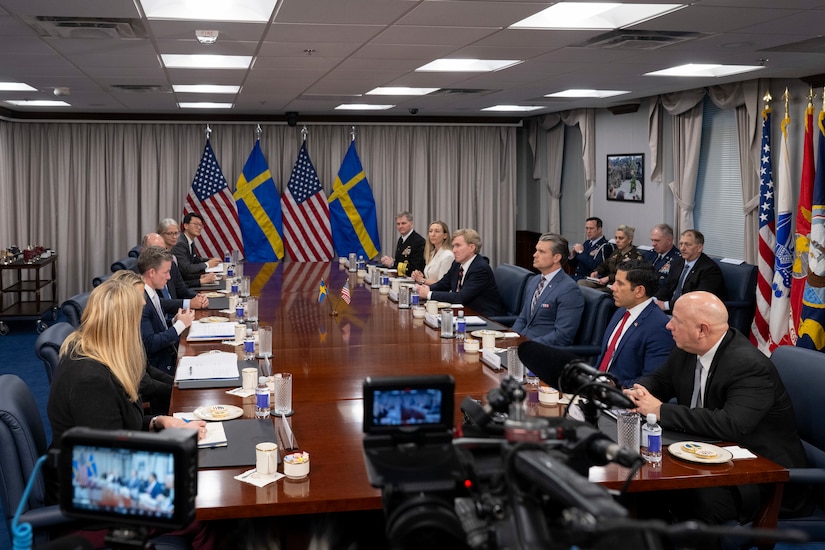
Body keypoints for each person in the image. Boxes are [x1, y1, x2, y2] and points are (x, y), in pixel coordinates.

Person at [625, 292, 812, 525]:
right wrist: (641, 391)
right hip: (708, 454)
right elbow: (661, 381)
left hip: (759, 474)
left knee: (679, 495)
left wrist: (661, 410)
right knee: (640, 479)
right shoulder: (687, 348)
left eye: (676, 320)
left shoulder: (749, 366)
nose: (668, 325)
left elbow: (731, 424)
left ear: (702, 330)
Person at [594, 260, 673, 388]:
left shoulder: (659, 327)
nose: (613, 287)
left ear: (639, 291)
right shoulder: (621, 311)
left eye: (619, 284)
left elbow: (653, 382)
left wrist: (613, 386)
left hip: (622, 399)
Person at [110, 269, 174, 415]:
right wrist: (175, 389)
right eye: (139, 296)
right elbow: (142, 381)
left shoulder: (127, 328)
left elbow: (146, 368)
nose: (144, 302)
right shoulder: (117, 336)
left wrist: (176, 383)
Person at [510, 233, 584, 346]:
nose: (535, 255)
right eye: (536, 250)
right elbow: (523, 319)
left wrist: (525, 345)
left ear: (557, 257)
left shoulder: (569, 289)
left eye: (542, 252)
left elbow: (562, 336)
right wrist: (510, 338)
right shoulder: (534, 281)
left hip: (542, 349)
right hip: (522, 345)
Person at [416, 228, 506, 317]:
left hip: (485, 317)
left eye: (458, 246)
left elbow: (461, 297)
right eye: (453, 246)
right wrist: (424, 289)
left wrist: (429, 294)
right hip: (464, 312)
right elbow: (443, 284)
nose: (454, 250)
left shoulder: (480, 268)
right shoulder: (457, 263)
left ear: (471, 247)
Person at [139, 245, 195, 375]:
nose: (169, 277)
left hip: (169, 357)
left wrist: (175, 320)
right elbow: (150, 343)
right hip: (159, 369)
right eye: (166, 272)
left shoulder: (152, 292)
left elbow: (158, 328)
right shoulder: (141, 300)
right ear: (152, 272)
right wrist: (180, 325)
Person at [654, 229, 724, 313]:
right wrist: (655, 299)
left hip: (693, 312)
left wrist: (666, 305)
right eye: (681, 244)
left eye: (688, 245)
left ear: (699, 248)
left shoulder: (709, 269)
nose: (682, 248)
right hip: (672, 309)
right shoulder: (678, 262)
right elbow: (667, 287)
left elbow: (698, 300)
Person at [143, 232, 209, 310]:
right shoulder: (140, 271)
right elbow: (154, 302)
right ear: (143, 250)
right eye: (155, 251)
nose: (161, 255)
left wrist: (198, 297)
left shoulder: (171, 265)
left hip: (176, 315)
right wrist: (188, 303)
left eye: (163, 250)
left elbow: (182, 289)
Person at [578, 224, 644, 290]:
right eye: (616, 238)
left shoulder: (634, 256)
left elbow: (627, 275)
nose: (617, 241)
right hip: (605, 281)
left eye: (621, 238)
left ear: (630, 240)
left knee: (595, 293)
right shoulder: (616, 252)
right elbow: (605, 264)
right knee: (581, 283)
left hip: (618, 285)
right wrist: (597, 271)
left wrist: (609, 278)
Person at [158, 218, 216, 287]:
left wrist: (200, 277)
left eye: (176, 233)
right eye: (170, 233)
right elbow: (184, 272)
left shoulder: (172, 256)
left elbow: (180, 278)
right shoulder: (160, 256)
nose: (174, 237)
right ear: (160, 235)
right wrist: (200, 281)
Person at [171, 212, 221, 287]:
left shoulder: (190, 240)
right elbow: (187, 268)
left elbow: (195, 260)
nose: (199, 227)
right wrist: (207, 264)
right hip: (183, 284)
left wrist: (210, 260)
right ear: (186, 226)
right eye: (196, 224)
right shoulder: (180, 243)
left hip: (190, 279)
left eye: (200, 225)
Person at [381, 211, 426, 276]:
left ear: (411, 224)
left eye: (403, 223)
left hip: (412, 280)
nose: (400, 226)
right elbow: (400, 260)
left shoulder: (419, 241)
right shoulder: (401, 239)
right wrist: (388, 261)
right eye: (398, 224)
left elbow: (415, 268)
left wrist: (393, 264)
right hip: (400, 277)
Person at [411, 220, 454, 285]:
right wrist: (419, 276)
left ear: (445, 235)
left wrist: (422, 280)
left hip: (440, 293)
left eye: (437, 231)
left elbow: (443, 284)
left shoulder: (448, 255)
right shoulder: (432, 253)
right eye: (430, 231)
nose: (433, 234)